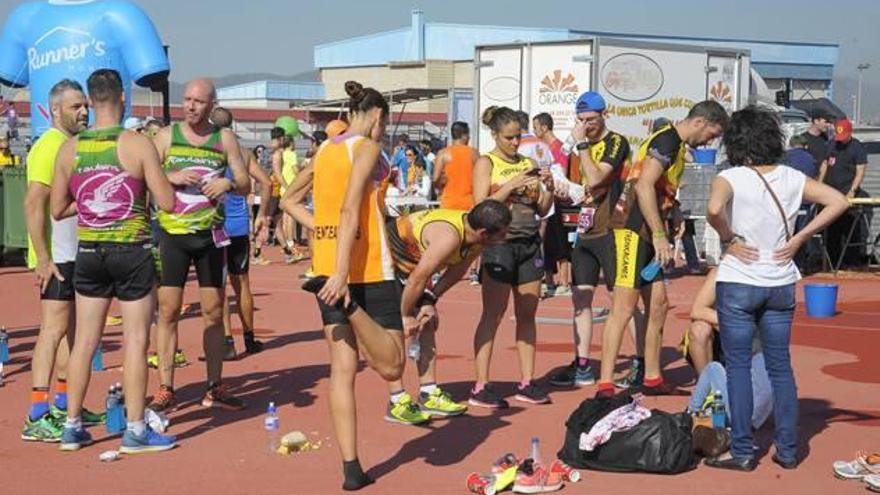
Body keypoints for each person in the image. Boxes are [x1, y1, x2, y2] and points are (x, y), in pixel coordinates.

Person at [704, 106, 847, 471]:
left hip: (739, 278)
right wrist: (800, 237)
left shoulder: (731, 176)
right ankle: (787, 450)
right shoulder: (792, 177)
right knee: (780, 366)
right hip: (781, 279)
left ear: (735, 141)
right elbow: (839, 200)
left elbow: (713, 208)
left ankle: (742, 451)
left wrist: (729, 237)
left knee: (737, 366)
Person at [50, 68, 178, 453]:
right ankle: (136, 430)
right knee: (136, 340)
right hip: (131, 251)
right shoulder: (137, 144)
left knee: (85, 341)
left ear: (90, 102)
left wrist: (91, 206)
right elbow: (168, 202)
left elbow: (58, 208)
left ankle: (72, 426)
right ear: (122, 97)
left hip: (89, 252)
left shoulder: (69, 148)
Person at [297, 81, 408, 491]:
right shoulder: (366, 147)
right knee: (393, 365)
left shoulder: (326, 149)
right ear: (378, 116)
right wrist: (343, 273)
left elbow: (291, 198)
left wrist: (321, 236)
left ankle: (351, 468)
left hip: (325, 267)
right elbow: (348, 207)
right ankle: (351, 305)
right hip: (365, 269)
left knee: (342, 372)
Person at [596, 100, 729, 398]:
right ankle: (605, 384)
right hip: (631, 230)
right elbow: (644, 186)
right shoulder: (667, 140)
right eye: (712, 134)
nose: (710, 141)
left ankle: (653, 377)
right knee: (624, 307)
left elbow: (659, 188)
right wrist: (658, 234)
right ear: (699, 122)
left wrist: (675, 211)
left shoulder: (677, 146)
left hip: (648, 231)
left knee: (658, 305)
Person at [148, 78, 251, 413]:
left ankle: (214, 384)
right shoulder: (164, 137)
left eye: (198, 101)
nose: (190, 106)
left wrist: (228, 182)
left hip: (211, 237)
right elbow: (142, 183)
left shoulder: (224, 139)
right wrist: (169, 179)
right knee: (169, 311)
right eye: (187, 99)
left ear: (212, 105)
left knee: (213, 312)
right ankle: (166, 387)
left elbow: (246, 184)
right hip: (172, 237)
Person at [382, 201, 511, 425]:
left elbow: (457, 268)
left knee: (428, 321)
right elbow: (418, 278)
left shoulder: (477, 240)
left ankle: (429, 392)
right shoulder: (449, 238)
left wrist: (431, 299)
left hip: (413, 267)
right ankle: (397, 400)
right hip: (388, 261)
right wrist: (405, 315)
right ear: (483, 232)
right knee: (397, 329)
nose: (506, 236)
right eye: (502, 233)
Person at [21, 79, 97, 442]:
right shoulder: (48, 146)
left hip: (75, 253)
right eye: (75, 107)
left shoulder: (71, 145)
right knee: (52, 331)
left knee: (74, 333)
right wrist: (43, 258)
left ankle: (70, 404)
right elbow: (34, 203)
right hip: (58, 258)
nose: (84, 112)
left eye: (85, 105)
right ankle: (37, 412)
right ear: (55, 111)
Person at [470, 106, 554, 409]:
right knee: (493, 314)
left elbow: (542, 208)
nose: (516, 143)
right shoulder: (486, 163)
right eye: (509, 138)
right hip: (499, 245)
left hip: (529, 244)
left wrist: (549, 189)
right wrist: (509, 186)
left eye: (519, 136)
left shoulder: (529, 162)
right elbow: (480, 208)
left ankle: (527, 382)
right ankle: (481, 385)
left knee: (528, 314)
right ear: (495, 135)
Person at [547, 92, 631, 388]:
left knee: (622, 300)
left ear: (603, 115)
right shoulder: (581, 145)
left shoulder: (615, 142)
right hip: (586, 230)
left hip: (613, 231)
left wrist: (581, 144)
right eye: (581, 120)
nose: (586, 125)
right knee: (581, 299)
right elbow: (584, 186)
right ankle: (582, 365)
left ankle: (640, 363)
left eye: (591, 120)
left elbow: (597, 178)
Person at [209, 106, 271, 359]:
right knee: (242, 284)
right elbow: (266, 182)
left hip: (216, 226)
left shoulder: (208, 152)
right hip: (238, 227)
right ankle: (249, 338)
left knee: (220, 286)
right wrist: (263, 215)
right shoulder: (243, 153)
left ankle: (226, 343)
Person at [533, 112, 573, 298]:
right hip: (545, 203)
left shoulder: (559, 148)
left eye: (536, 127)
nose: (534, 131)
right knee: (546, 243)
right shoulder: (540, 148)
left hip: (558, 202)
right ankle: (549, 281)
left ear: (544, 127)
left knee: (560, 243)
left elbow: (561, 175)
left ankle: (564, 282)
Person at [820, 118, 868, 268]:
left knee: (850, 229)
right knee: (832, 230)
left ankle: (851, 262)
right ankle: (832, 263)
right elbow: (825, 165)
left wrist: (852, 191)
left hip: (847, 193)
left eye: (843, 136)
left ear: (850, 133)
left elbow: (861, 171)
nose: (841, 140)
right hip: (831, 193)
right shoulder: (832, 145)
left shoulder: (857, 148)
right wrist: (819, 185)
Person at [271, 125, 305, 263]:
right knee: (271, 221)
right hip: (276, 191)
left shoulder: (275, 151)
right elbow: (277, 173)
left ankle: (288, 251)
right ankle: (288, 249)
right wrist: (286, 186)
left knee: (276, 221)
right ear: (281, 138)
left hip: (275, 191)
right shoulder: (278, 153)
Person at [433, 121, 477, 210]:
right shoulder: (474, 153)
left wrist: (440, 187)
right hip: (469, 203)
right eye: (468, 134)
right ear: (464, 135)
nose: (469, 137)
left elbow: (435, 179)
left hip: (448, 202)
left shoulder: (443, 154)